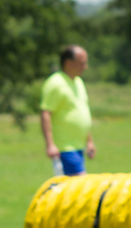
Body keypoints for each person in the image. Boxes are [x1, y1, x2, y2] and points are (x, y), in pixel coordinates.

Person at [40, 45, 95, 177]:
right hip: (64, 148)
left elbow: (81, 113)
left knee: (72, 188)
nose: (85, 67)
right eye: (82, 63)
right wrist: (50, 144)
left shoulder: (78, 82)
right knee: (81, 184)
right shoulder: (55, 83)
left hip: (78, 146)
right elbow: (46, 113)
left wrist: (89, 141)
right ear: (68, 63)